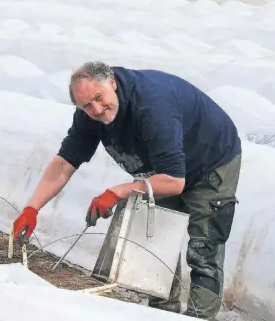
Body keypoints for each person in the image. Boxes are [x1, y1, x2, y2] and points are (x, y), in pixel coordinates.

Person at [12, 61, 242, 320]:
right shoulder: (90, 114)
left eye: (99, 99)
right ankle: (163, 315)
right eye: (87, 105)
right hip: (163, 168)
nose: (96, 109)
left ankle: (200, 318)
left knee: (203, 250)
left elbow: (175, 182)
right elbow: (65, 163)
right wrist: (31, 208)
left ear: (112, 82)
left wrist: (117, 192)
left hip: (211, 161)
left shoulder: (152, 107)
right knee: (155, 244)